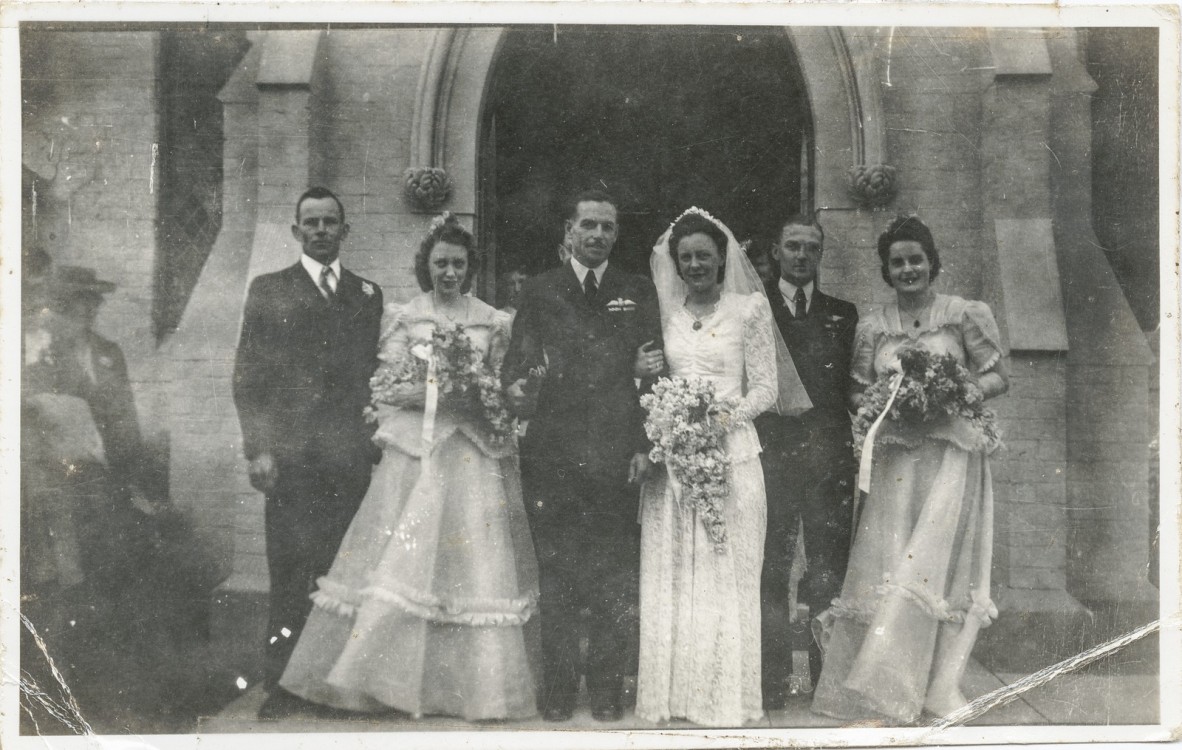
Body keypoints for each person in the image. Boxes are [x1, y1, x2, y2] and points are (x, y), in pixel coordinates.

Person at [280, 214, 539, 720]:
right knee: (403, 561)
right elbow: (386, 387)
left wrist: (481, 392)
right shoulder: (407, 315)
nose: (449, 272)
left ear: (469, 268)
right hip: (418, 453)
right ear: (427, 266)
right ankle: (377, 683)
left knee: (473, 564)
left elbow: (501, 387)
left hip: (472, 452)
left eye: (458, 264)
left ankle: (468, 690)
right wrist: (439, 386)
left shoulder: (491, 319)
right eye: (440, 263)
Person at [811, 215, 1008, 723]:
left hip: (948, 457)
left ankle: (938, 687)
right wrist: (883, 404)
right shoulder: (875, 326)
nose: (907, 269)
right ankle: (881, 688)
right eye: (897, 262)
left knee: (937, 569)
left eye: (915, 259)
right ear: (886, 270)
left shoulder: (962, 314)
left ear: (932, 262)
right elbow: (856, 389)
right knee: (889, 565)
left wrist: (954, 393)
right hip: (897, 459)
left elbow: (997, 377)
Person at [635, 208, 810, 727]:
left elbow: (766, 388)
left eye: (704, 256)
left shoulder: (749, 309)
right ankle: (674, 698)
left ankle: (722, 698)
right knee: (674, 574)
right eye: (686, 257)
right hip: (675, 461)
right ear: (675, 263)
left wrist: (719, 419)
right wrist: (659, 398)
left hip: (732, 453)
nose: (695, 265)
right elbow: (650, 379)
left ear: (722, 259)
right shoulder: (663, 312)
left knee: (726, 573)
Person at [503, 189, 664, 722]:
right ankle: (558, 687)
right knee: (559, 572)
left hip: (617, 453)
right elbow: (517, 366)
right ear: (569, 231)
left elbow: (654, 374)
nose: (597, 236)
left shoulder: (637, 291)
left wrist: (644, 443)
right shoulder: (541, 290)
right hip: (552, 452)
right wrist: (520, 388)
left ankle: (606, 688)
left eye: (607, 228)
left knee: (614, 573)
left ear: (616, 235)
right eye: (588, 226)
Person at [232, 187, 384, 718]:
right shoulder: (270, 289)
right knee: (290, 568)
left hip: (347, 458)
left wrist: (373, 440)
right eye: (311, 223)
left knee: (341, 572)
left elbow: (375, 377)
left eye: (330, 222)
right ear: (296, 232)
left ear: (345, 231)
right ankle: (280, 686)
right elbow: (249, 376)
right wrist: (260, 449)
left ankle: (331, 687)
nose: (321, 230)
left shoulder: (367, 295)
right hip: (292, 460)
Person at [755, 215, 859, 707]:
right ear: (775, 252)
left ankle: (826, 680)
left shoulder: (844, 313)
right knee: (772, 567)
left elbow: (850, 392)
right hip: (772, 455)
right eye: (792, 246)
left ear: (820, 255)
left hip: (826, 459)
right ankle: (771, 681)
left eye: (811, 248)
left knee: (826, 570)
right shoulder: (755, 309)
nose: (801, 255)